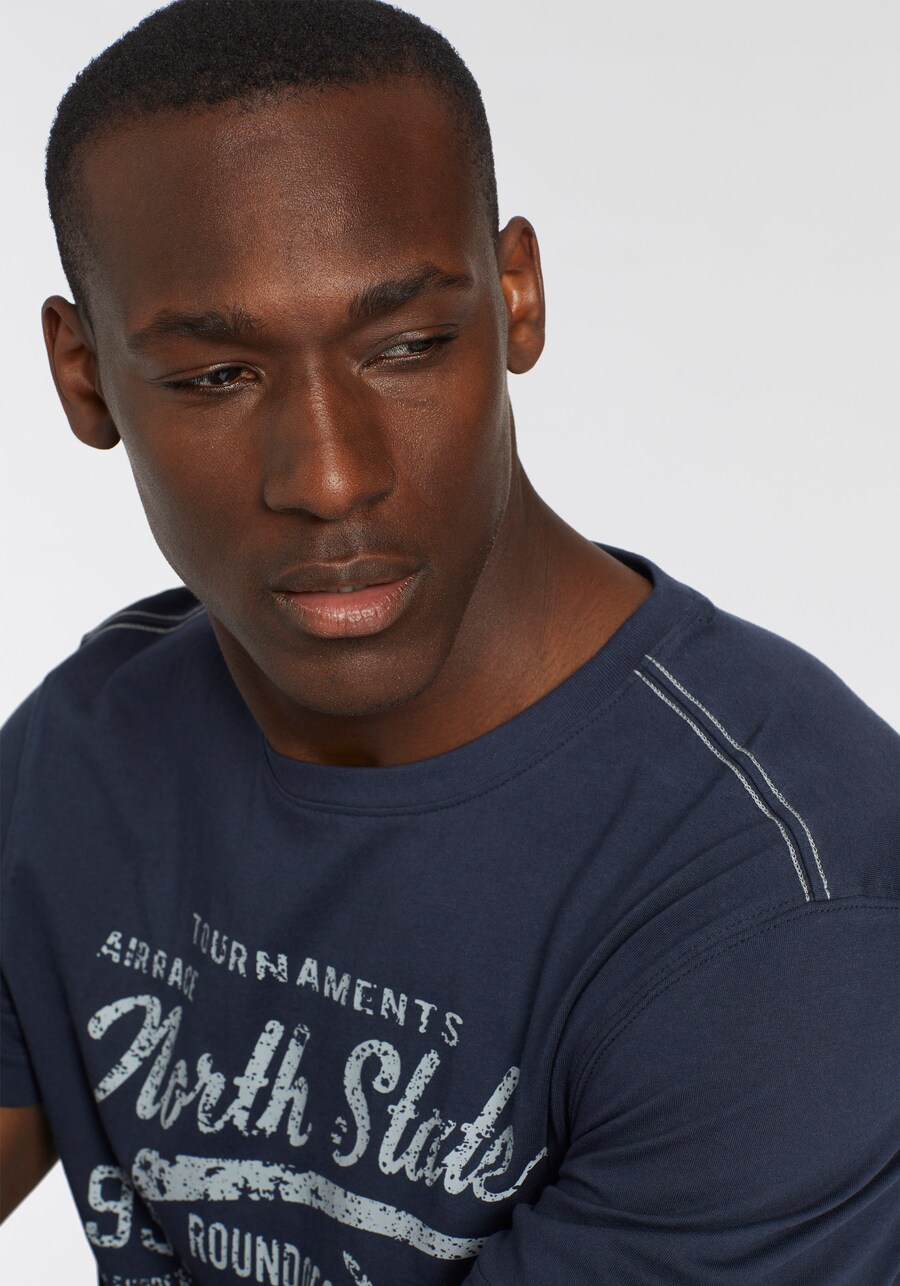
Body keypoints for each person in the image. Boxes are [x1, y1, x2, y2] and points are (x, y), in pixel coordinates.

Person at [1, 1, 896, 1282]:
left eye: (407, 346)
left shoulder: (785, 914)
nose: (330, 476)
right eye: (216, 376)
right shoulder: (85, 752)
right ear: (85, 378)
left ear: (516, 296)